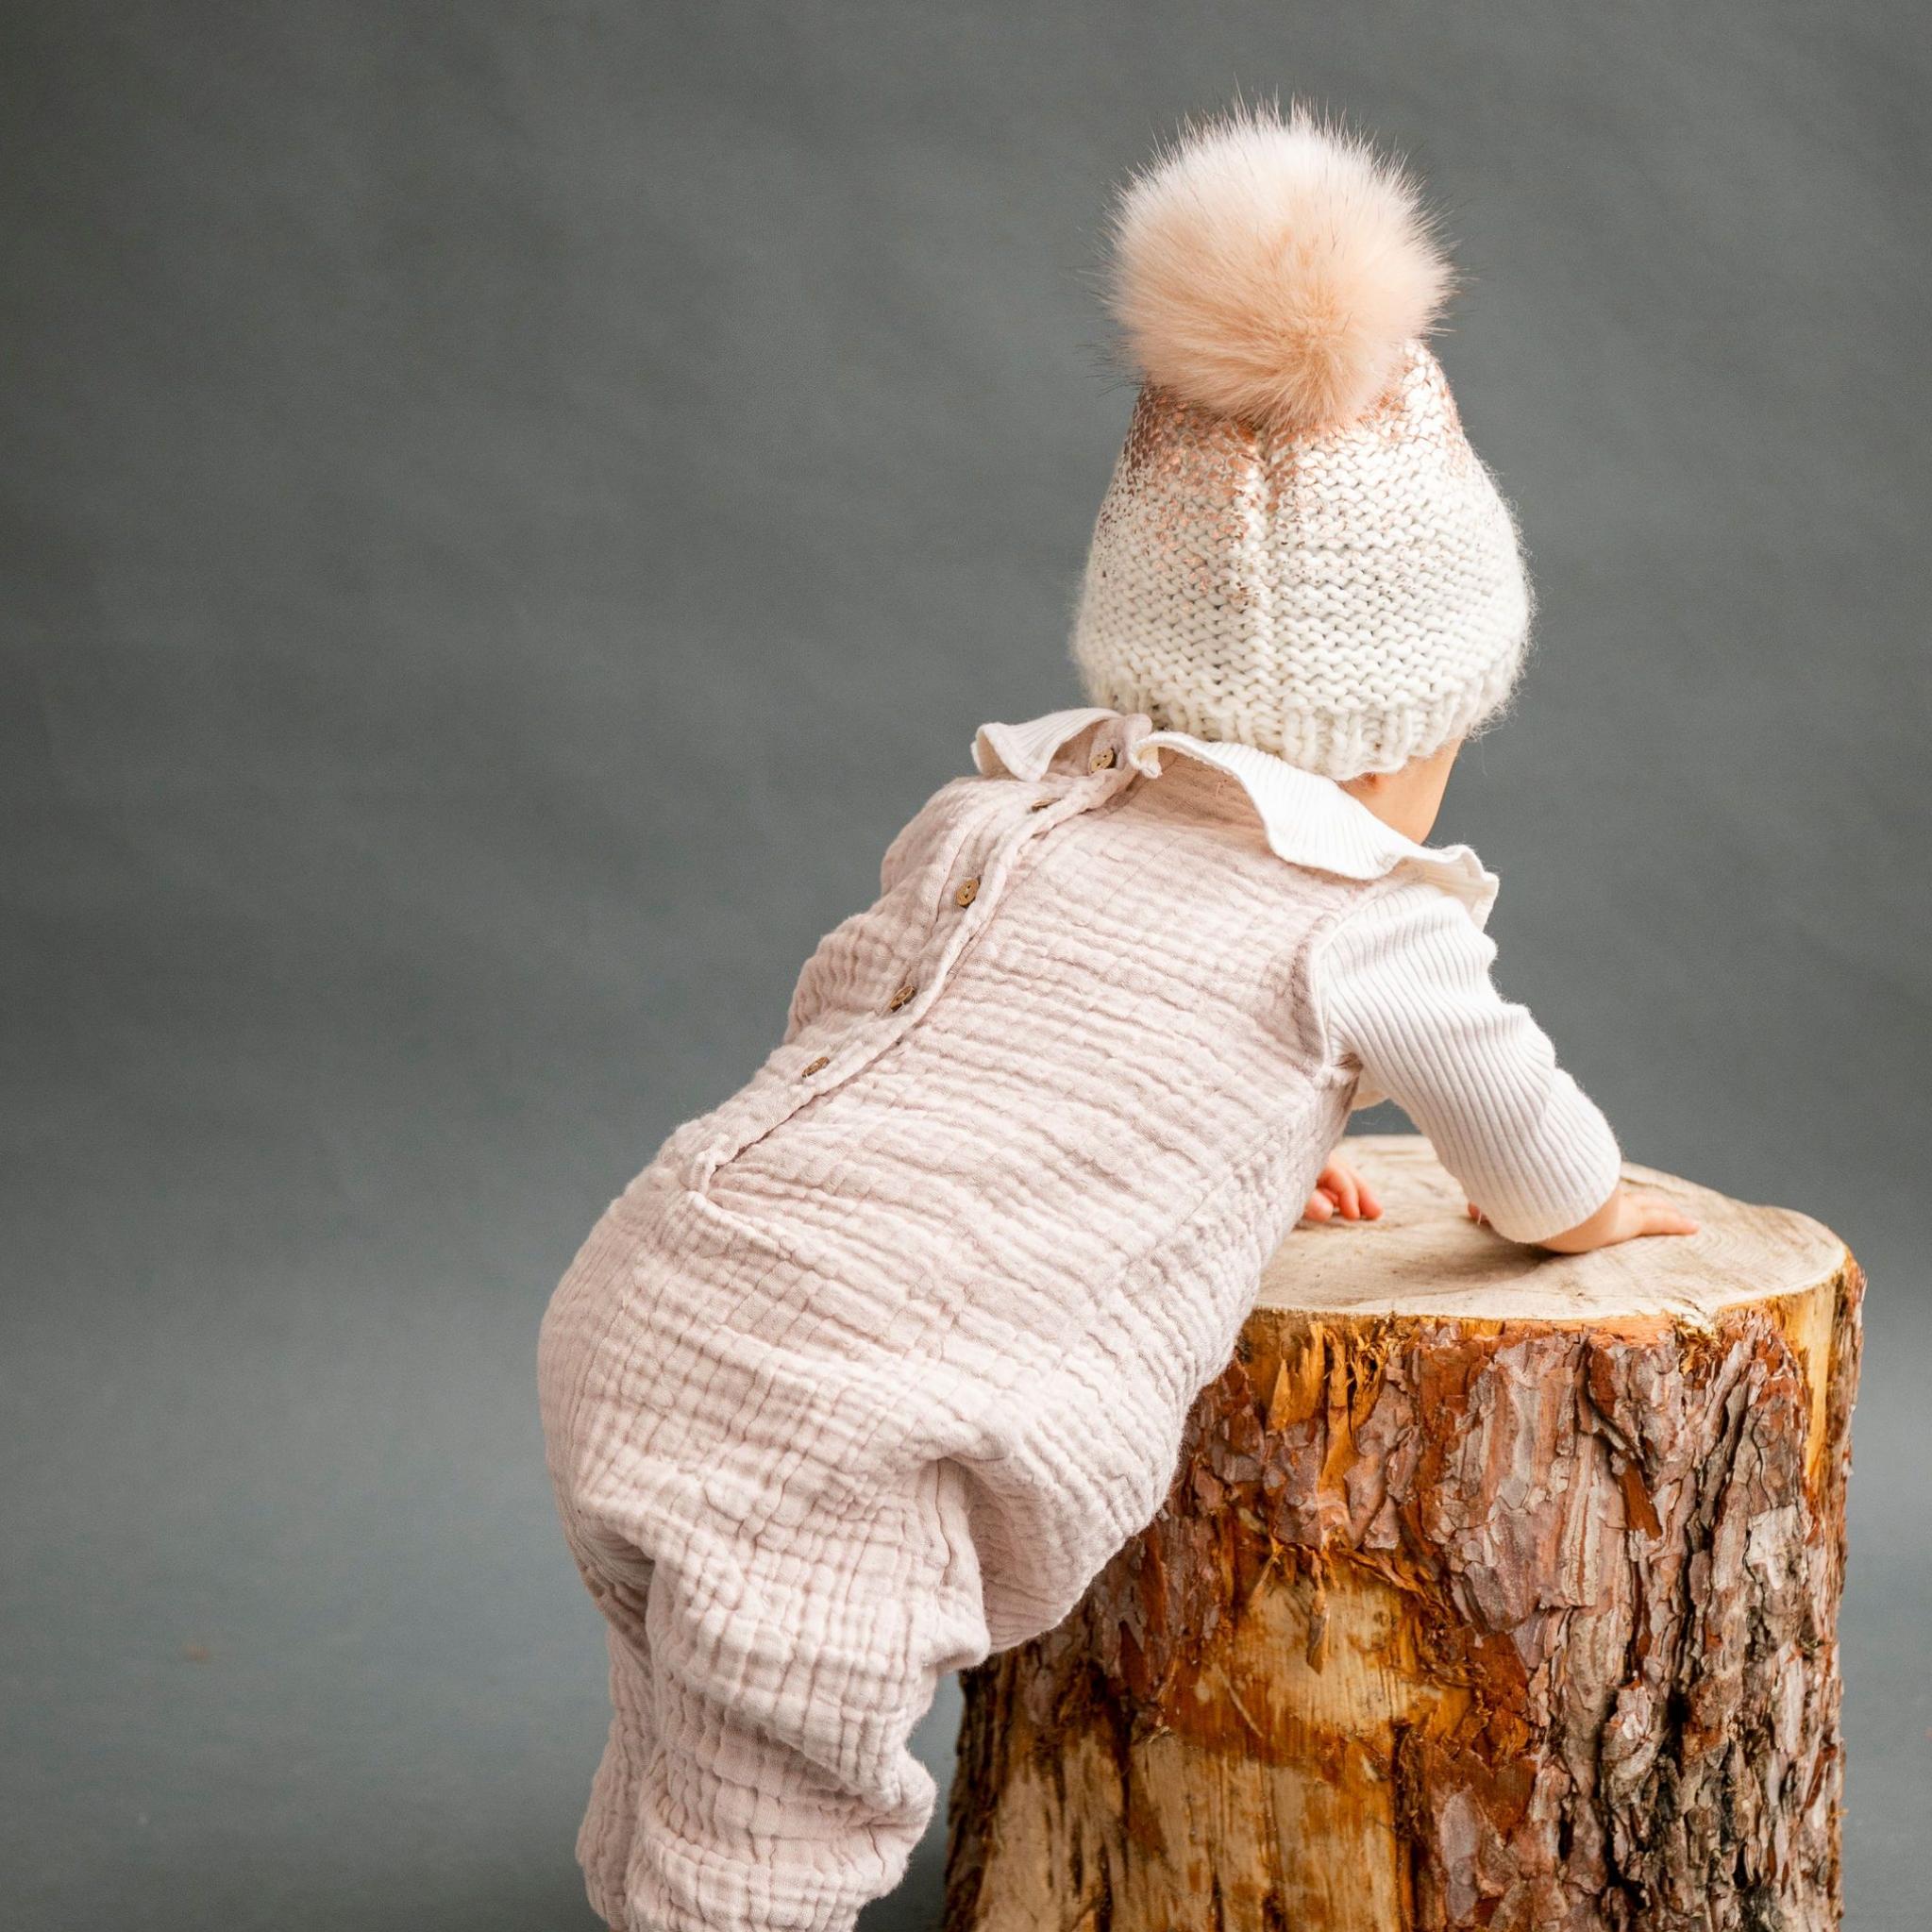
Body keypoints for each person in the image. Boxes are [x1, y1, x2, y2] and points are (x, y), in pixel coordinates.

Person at [537, 103, 1695, 1932]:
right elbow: (1513, 1128)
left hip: (665, 1279)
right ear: (1404, 729)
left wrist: (1253, 1144)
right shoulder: (1362, 923)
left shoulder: (1016, 806)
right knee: (767, 1838)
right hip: (853, 1407)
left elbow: (891, 1019)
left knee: (699, 1727)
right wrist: (1584, 1201)